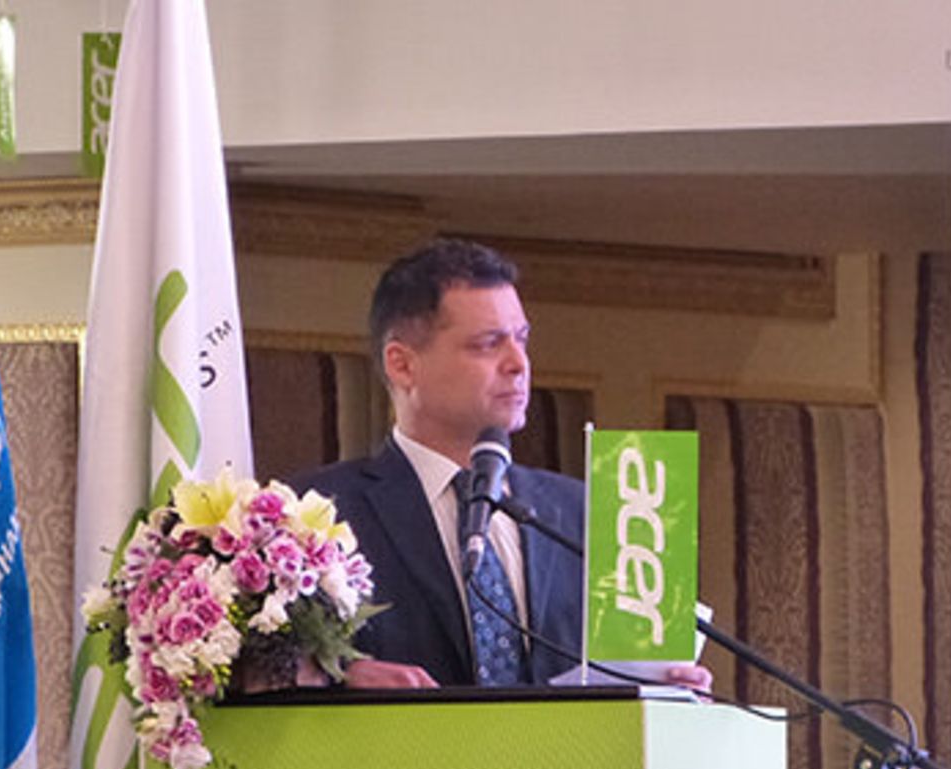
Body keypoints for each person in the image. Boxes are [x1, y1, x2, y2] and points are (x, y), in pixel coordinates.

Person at [295, 239, 711, 693]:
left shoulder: (597, 516)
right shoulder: (315, 516)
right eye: (488, 344)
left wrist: (670, 693)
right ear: (402, 365)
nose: (518, 363)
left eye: (522, 339)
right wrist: (333, 675)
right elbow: (255, 671)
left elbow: (627, 687)